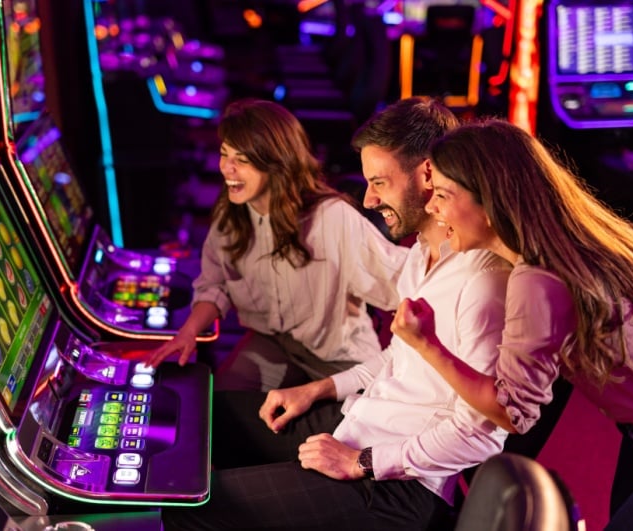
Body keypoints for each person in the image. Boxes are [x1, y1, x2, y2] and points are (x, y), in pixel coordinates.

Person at [162, 98, 513, 530]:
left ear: (427, 174)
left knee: (189, 513)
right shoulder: (422, 255)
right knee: (206, 424)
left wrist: (362, 461)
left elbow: (482, 430)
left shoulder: (479, 279)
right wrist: (317, 390)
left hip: (397, 485)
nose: (367, 199)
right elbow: (397, 360)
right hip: (361, 422)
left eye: (379, 182)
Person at [390, 118, 633, 531]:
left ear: (490, 201)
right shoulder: (572, 241)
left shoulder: (539, 278)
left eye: (445, 195)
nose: (432, 206)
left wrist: (426, 344)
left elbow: (512, 411)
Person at [145, 98, 408, 391]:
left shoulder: (331, 218)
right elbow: (215, 284)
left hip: (340, 359)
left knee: (329, 432)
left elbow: (401, 278)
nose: (227, 169)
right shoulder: (230, 217)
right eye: (224, 155)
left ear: (275, 165)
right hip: (275, 345)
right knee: (219, 407)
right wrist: (188, 332)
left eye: (241, 161)